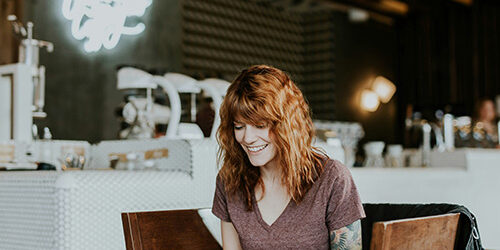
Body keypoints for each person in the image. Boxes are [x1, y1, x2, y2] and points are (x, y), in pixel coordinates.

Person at [212, 65, 365, 249]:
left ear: (287, 124)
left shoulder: (332, 179)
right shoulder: (229, 181)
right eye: (239, 126)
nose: (248, 138)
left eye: (260, 125)